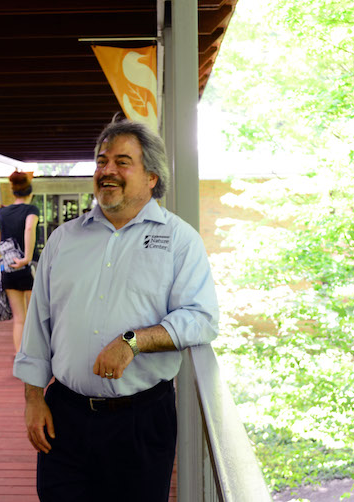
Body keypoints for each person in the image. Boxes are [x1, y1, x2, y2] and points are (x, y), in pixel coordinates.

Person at [13, 119, 219, 502]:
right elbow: (39, 325)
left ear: (152, 177)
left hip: (140, 421)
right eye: (101, 161)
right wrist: (33, 398)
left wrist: (134, 341)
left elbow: (201, 317)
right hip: (65, 417)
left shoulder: (179, 240)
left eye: (122, 162)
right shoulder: (63, 240)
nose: (106, 171)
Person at [0, 170, 40, 353]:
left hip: (9, 268)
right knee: (34, 316)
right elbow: (29, 228)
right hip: (27, 269)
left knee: (19, 318)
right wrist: (27, 258)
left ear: (13, 191)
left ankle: (19, 355)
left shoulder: (2, 212)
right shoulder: (31, 209)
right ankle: (33, 354)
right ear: (30, 192)